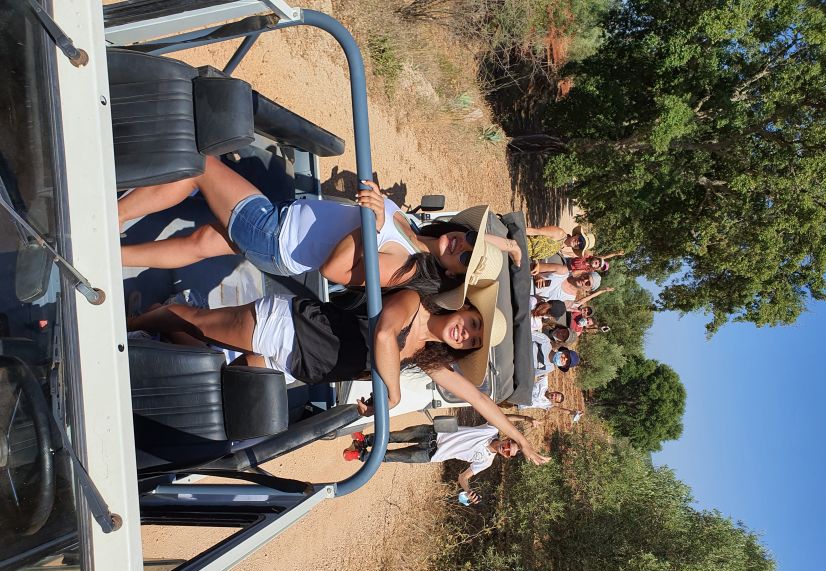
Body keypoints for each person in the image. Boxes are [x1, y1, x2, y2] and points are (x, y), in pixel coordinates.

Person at [127, 284, 551, 465]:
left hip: (297, 364)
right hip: (291, 326)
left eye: (471, 340)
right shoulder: (414, 302)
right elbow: (384, 333)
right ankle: (126, 323)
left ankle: (161, 325)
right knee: (199, 321)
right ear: (462, 307)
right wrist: (392, 392)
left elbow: (477, 399)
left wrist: (520, 439)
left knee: (221, 386)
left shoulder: (431, 357)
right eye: (472, 323)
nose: (465, 333)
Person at [118, 156, 520, 295]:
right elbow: (468, 242)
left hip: (276, 235)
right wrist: (507, 246)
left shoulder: (405, 266)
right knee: (202, 242)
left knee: (199, 168)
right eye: (467, 237)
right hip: (283, 233)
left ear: (452, 275)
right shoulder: (417, 227)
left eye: (465, 258)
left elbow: (335, 272)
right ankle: (113, 257)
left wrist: (372, 221)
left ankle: (107, 220)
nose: (460, 245)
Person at [344, 415, 536, 503]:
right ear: (507, 438)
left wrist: (468, 491)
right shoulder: (491, 430)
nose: (506, 448)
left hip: (432, 455)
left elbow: (463, 477)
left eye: (508, 452)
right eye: (509, 444)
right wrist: (526, 418)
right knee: (396, 436)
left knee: (392, 456)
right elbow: (502, 417)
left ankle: (360, 455)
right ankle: (365, 440)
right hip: (434, 433)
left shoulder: (486, 462)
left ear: (507, 456)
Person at [533, 269, 613, 307]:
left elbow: (545, 309)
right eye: (586, 277)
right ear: (583, 274)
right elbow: (534, 267)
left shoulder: (568, 300)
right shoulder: (563, 271)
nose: (584, 280)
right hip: (523, 282)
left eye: (588, 283)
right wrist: (537, 275)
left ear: (587, 289)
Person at [525, 224, 595, 260]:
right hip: (520, 242)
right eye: (581, 240)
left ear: (578, 249)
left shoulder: (560, 248)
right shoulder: (559, 233)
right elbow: (533, 231)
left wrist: (536, 262)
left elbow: (536, 251)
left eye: (581, 245)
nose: (578, 243)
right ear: (577, 235)